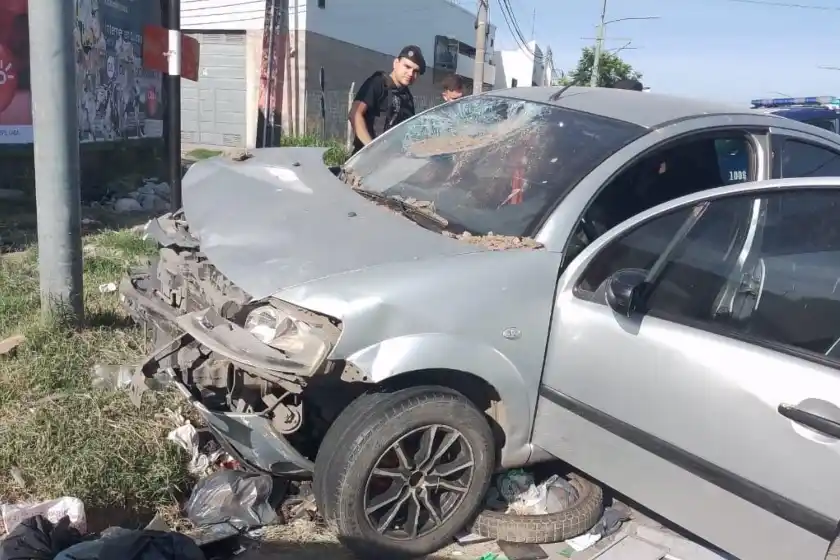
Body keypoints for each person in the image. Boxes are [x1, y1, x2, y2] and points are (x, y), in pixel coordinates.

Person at [348, 45, 426, 155]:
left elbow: (408, 134)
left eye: (415, 71)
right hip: (365, 158)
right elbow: (355, 114)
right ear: (396, 63)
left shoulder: (407, 98)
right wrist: (372, 149)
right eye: (407, 67)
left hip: (390, 160)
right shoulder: (378, 83)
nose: (410, 74)